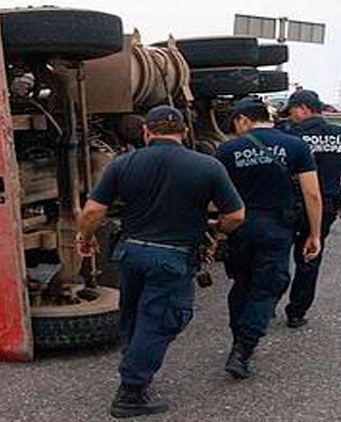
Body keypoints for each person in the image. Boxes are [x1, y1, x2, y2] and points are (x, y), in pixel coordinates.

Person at [76, 105, 245, 418]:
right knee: (162, 320)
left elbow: (92, 212)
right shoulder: (207, 166)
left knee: (134, 317)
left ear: (146, 131)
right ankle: (131, 392)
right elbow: (235, 215)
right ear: (182, 131)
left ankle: (134, 367)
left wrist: (84, 239)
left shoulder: (122, 164)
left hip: (130, 253)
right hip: (173, 256)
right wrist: (215, 234)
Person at [216, 97, 322, 379]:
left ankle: (239, 337)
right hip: (277, 227)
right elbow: (312, 193)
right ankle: (243, 348)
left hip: (239, 226)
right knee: (268, 286)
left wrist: (216, 230)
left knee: (242, 283)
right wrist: (314, 233)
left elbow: (215, 195)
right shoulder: (296, 145)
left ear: (243, 120)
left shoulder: (227, 149)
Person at [280, 90, 341, 328]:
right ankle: (296, 312)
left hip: (287, 205)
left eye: (293, 111)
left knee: (276, 255)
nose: (290, 117)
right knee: (309, 257)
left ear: (305, 108)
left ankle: (265, 305)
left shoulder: (287, 134)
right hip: (325, 207)